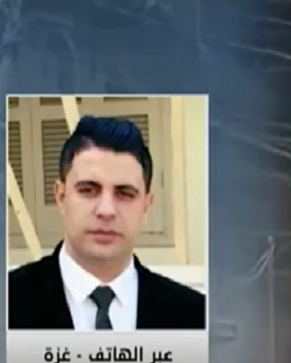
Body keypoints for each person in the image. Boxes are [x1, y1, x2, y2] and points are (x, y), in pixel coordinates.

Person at [8, 115, 205, 330]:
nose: (106, 210)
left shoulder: (195, 317)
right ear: (61, 197)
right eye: (88, 190)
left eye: (125, 193)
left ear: (146, 206)